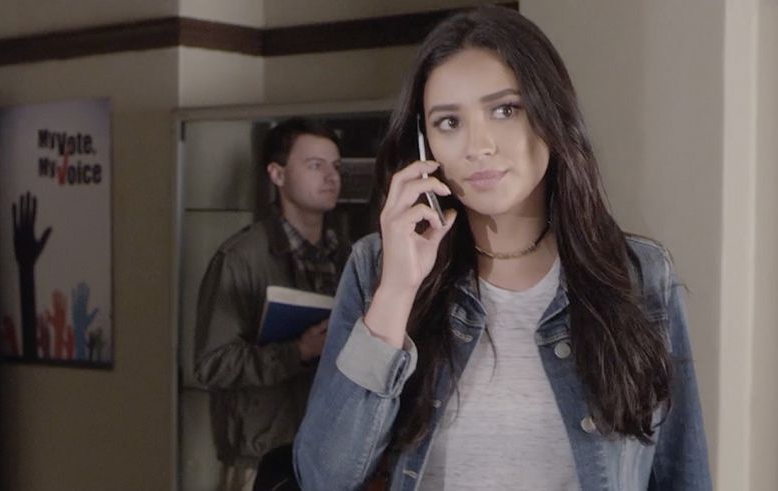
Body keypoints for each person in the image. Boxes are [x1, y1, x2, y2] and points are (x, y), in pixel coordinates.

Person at [294, 6, 711, 491]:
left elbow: (683, 472)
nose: (479, 145)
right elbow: (324, 476)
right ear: (425, 146)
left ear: (551, 115)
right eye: (448, 122)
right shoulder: (376, 269)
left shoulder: (639, 273)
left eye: (505, 110)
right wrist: (396, 293)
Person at [194, 118, 351, 491]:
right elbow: (212, 363)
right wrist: (298, 351)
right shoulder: (241, 257)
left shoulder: (346, 255)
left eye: (336, 166)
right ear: (277, 175)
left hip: (329, 451)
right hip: (261, 453)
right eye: (315, 165)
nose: (331, 177)